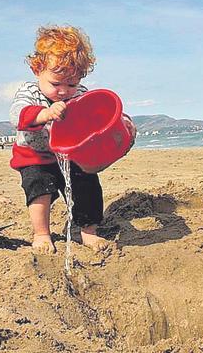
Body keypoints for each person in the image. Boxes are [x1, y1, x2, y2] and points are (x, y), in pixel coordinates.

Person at [10, 25, 127, 254]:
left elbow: (99, 116)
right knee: (39, 189)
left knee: (87, 186)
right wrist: (43, 114)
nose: (63, 91)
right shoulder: (29, 92)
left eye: (71, 84)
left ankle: (88, 231)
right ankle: (42, 233)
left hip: (70, 155)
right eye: (56, 84)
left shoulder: (81, 95)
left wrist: (122, 124)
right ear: (37, 70)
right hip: (35, 156)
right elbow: (17, 114)